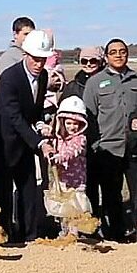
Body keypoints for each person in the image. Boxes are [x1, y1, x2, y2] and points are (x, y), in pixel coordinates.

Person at [0, 30, 55, 242]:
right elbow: (14, 117)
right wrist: (39, 142)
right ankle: (5, 234)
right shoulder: (9, 79)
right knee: (3, 192)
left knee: (28, 189)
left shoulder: (42, 76)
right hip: (2, 142)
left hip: (25, 141)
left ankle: (28, 235)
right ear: (25, 54)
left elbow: (34, 110)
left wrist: (41, 123)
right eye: (35, 58)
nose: (39, 63)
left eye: (43, 59)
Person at [83, 38, 137, 242]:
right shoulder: (95, 82)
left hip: (134, 149)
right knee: (112, 197)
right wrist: (96, 146)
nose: (118, 55)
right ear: (106, 57)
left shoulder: (136, 81)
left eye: (122, 51)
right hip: (108, 149)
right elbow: (88, 117)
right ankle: (115, 237)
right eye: (113, 52)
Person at [61, 46, 105, 217]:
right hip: (78, 147)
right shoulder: (73, 86)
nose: (88, 64)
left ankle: (104, 224)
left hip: (102, 141)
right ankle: (81, 225)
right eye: (84, 61)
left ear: (100, 61)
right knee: (81, 188)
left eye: (93, 60)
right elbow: (62, 116)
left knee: (105, 187)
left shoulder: (106, 81)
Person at [48, 95, 89, 237]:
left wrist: (60, 157)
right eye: (69, 123)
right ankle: (64, 232)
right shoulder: (57, 139)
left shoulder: (80, 139)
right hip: (61, 181)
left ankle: (74, 234)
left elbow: (73, 152)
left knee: (75, 209)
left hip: (76, 182)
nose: (73, 127)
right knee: (63, 210)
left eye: (76, 124)